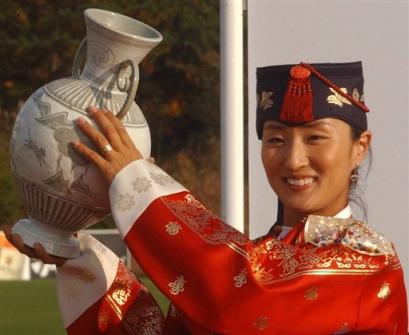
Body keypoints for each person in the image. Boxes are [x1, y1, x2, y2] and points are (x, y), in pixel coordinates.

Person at [5, 61, 408, 334]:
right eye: (276, 139)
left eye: (316, 138)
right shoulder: (248, 261)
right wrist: (79, 260)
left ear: (360, 147)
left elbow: (246, 307)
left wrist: (136, 182)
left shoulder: (368, 264)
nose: (293, 158)